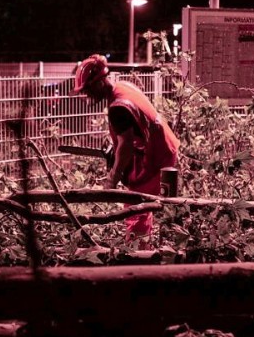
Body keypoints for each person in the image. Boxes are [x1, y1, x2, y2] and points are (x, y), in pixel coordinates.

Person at [72, 54, 179, 243]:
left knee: (136, 206)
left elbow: (126, 147)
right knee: (161, 207)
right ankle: (158, 242)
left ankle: (137, 254)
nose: (86, 94)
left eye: (87, 89)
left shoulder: (118, 107)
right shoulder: (122, 87)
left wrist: (112, 179)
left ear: (98, 83)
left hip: (158, 156)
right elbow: (133, 131)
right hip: (165, 146)